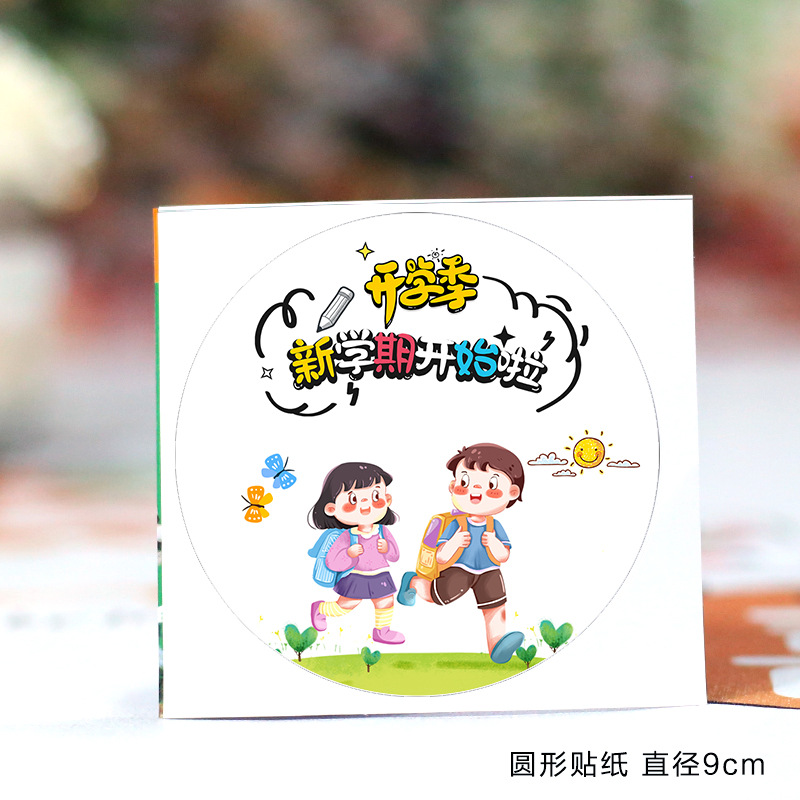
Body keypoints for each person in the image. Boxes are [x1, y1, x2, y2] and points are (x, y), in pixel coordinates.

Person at [397, 443, 525, 663]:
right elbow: (441, 556)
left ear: (512, 493)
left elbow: (503, 556)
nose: (476, 491)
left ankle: (497, 647)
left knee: (496, 607)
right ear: (452, 486)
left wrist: (494, 544)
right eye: (465, 482)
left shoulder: (495, 526)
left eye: (491, 485)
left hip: (489, 571)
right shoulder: (456, 524)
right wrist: (455, 542)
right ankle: (414, 583)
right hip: (459, 569)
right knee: (438, 597)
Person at [309, 462, 405, 645]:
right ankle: (320, 609)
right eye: (353, 500)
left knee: (385, 602)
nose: (366, 505)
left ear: (387, 500)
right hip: (356, 576)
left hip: (380, 574)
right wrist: (349, 554)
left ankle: (382, 631)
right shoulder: (346, 535)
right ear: (331, 509)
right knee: (346, 605)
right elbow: (332, 562)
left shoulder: (382, 531)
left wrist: (387, 549)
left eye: (375, 496)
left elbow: (395, 556)